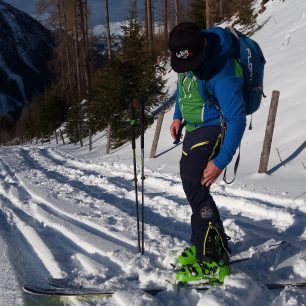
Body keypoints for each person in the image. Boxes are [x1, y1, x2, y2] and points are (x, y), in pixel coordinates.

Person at [168, 22, 246, 284]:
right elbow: (183, 86)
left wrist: (220, 161)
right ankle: (204, 240)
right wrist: (178, 116)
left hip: (214, 127)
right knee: (190, 184)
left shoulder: (221, 72)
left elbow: (236, 119)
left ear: (202, 46)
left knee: (196, 186)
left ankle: (212, 258)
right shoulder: (188, 59)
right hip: (193, 128)